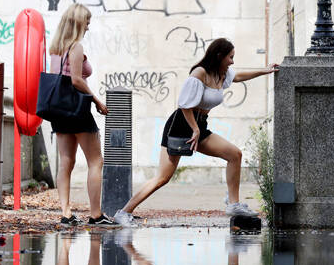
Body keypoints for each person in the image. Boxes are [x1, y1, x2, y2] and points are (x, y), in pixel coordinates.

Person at [113, 38, 278, 227]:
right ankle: (123, 213)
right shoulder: (199, 73)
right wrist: (194, 129)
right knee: (162, 178)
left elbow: (239, 75)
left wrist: (265, 70)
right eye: (230, 57)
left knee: (235, 155)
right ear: (219, 56)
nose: (232, 61)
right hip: (182, 125)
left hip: (199, 127)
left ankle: (233, 204)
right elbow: (184, 104)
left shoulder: (221, 74)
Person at [48, 3, 118, 227]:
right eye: (87, 21)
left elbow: (58, 77)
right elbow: (77, 79)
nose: (88, 26)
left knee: (66, 162)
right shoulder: (76, 47)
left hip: (60, 111)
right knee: (96, 161)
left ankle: (66, 213)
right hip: (78, 110)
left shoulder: (56, 47)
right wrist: (97, 100)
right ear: (79, 23)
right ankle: (96, 214)